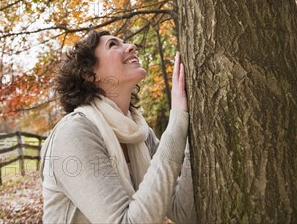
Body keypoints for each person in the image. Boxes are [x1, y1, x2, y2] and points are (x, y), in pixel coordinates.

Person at [40, 29, 196, 224]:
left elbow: (183, 212)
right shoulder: (74, 133)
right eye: (113, 45)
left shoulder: (140, 133)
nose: (131, 47)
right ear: (89, 74)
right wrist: (177, 123)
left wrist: (194, 134)